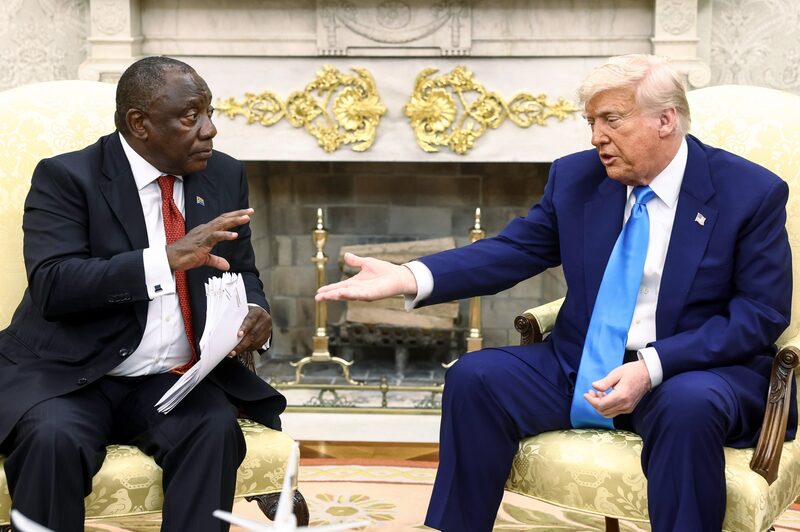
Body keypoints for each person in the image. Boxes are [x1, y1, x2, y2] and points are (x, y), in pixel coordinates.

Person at [316, 54, 797, 531]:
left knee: (687, 408)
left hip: (690, 369)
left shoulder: (748, 193)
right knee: (475, 377)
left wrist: (651, 368)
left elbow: (759, 314)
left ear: (665, 120)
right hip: (581, 361)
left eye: (611, 120)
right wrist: (409, 276)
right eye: (591, 121)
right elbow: (511, 251)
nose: (596, 138)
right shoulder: (578, 178)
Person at [0, 56, 286, 531]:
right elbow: (54, 284)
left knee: (214, 430)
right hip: (70, 373)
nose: (210, 130)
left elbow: (242, 270)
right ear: (140, 124)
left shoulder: (223, 176)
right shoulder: (67, 178)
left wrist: (255, 311)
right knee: (51, 439)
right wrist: (166, 259)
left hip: (169, 380)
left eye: (210, 112)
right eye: (191, 116)